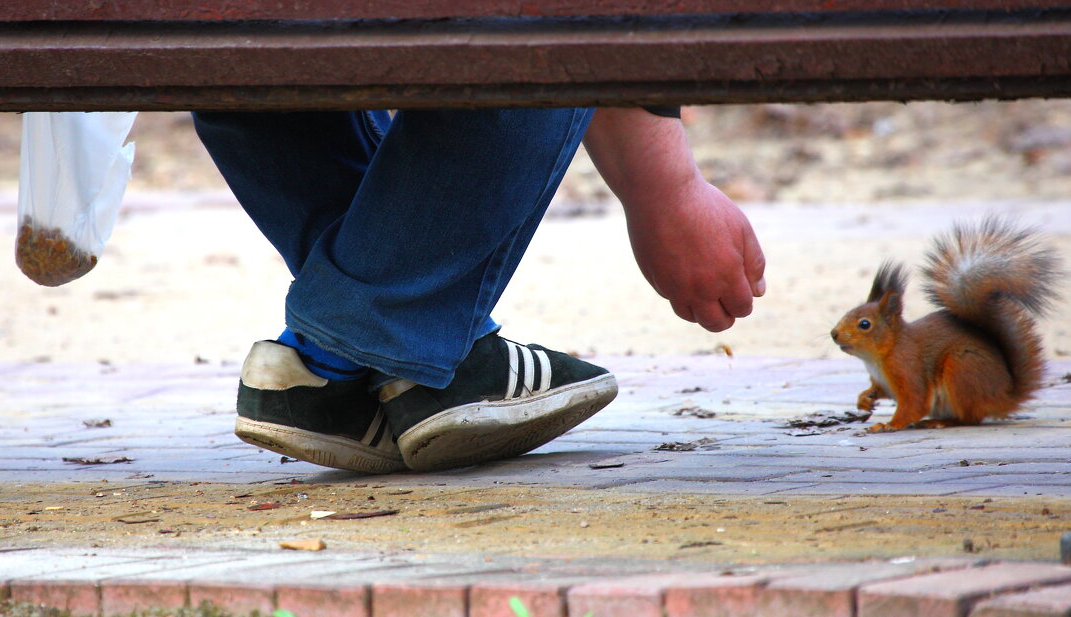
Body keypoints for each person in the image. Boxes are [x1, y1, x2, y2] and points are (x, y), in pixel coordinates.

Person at [192, 106, 766, 473]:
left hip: (197, 21)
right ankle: (344, 357)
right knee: (536, 24)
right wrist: (667, 188)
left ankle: (339, 366)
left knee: (254, 58)